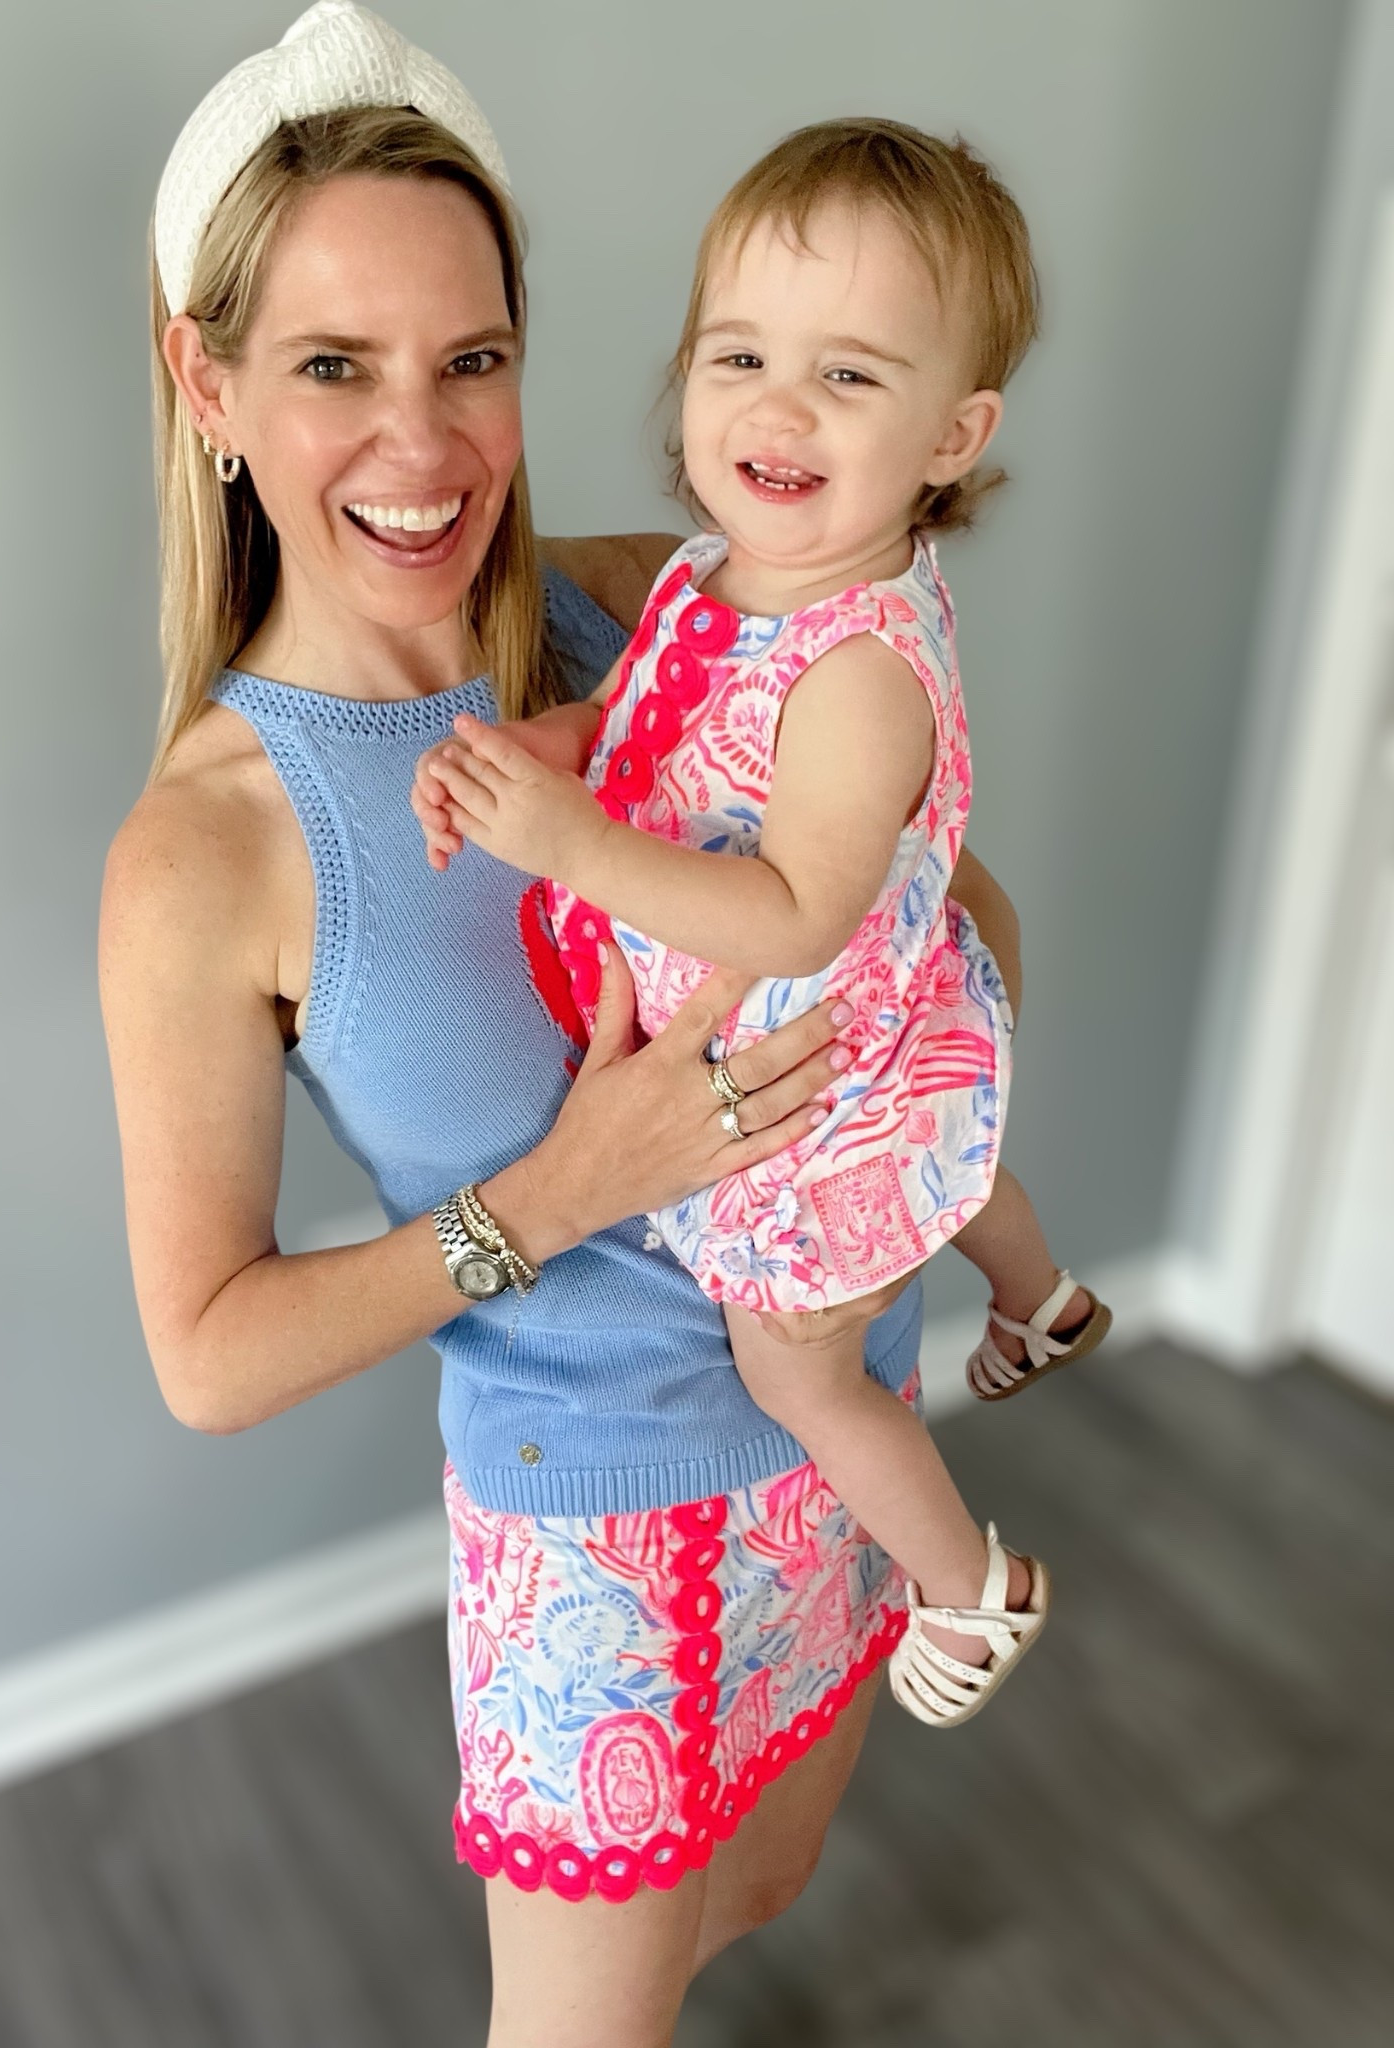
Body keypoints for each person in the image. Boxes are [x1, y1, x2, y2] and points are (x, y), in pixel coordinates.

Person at [100, 7, 1024, 2043]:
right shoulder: (214, 848)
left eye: (474, 359)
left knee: (764, 1879)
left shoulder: (655, 608)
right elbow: (208, 1355)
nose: (422, 446)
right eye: (335, 366)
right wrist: (565, 1185)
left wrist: (906, 1067)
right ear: (211, 380)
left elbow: (964, 912)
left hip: (836, 1392)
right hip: (593, 1510)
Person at [416, 117, 1109, 1726]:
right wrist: (559, 750)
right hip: (893, 1016)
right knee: (963, 1157)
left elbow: (796, 915)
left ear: (956, 432)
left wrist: (572, 845)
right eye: (738, 353)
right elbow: (665, 711)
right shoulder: (726, 572)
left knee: (794, 1366)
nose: (776, 407)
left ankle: (970, 1588)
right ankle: (1041, 1293)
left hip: (816, 1049)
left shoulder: (862, 672)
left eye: (853, 376)